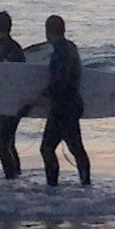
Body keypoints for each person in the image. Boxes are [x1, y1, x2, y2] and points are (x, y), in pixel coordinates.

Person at [37, 13, 91, 189]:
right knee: (76, 147)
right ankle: (86, 184)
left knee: (47, 148)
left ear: (48, 32)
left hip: (63, 107)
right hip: (72, 105)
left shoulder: (61, 52)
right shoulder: (70, 47)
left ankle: (53, 187)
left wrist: (41, 96)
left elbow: (61, 80)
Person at [0, 10, 27, 180]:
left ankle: (11, 178)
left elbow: (14, 76)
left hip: (11, 103)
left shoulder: (11, 48)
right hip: (4, 103)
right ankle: (15, 177)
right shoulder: (2, 46)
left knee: (2, 144)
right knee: (9, 142)